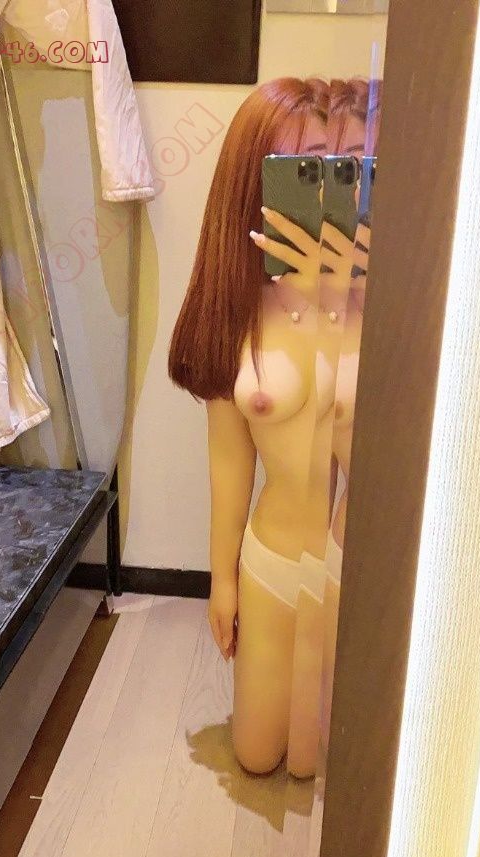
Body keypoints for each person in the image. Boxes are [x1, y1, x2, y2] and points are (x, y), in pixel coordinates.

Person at [169, 77, 345, 777]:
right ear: (253, 184)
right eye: (290, 170)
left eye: (324, 167)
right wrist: (223, 581)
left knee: (326, 762)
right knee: (256, 756)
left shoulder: (367, 302)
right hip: (271, 556)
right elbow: (228, 457)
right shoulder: (236, 312)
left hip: (351, 564)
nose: (310, 191)